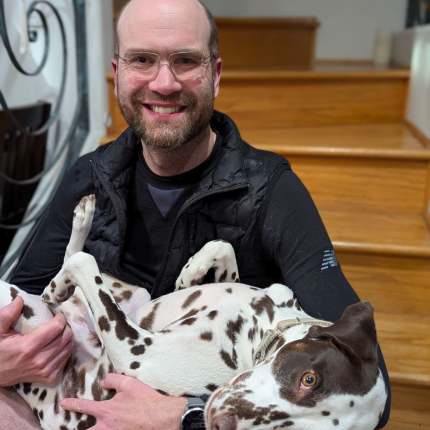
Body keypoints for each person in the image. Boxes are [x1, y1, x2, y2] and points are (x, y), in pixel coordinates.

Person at [0, 0, 391, 429]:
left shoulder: (271, 191)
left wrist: (184, 416)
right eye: (142, 60)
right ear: (116, 74)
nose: (164, 83)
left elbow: (371, 390)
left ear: (215, 75)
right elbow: (20, 299)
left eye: (185, 60)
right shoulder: (88, 176)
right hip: (78, 399)